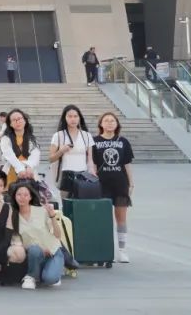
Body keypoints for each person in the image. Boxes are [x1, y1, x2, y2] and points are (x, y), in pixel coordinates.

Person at [93, 112, 134, 262]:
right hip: (101, 184)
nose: (109, 123)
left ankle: (122, 250)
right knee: (103, 219)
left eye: (112, 121)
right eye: (106, 120)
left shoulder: (123, 141)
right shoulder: (94, 141)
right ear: (101, 124)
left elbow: (127, 164)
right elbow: (93, 164)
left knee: (121, 218)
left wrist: (131, 182)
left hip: (120, 183)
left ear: (117, 124)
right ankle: (104, 250)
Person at [9, 180, 64, 289]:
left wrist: (52, 216)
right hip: (34, 253)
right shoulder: (12, 216)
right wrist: (40, 249)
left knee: (50, 279)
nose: (22, 197)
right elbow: (16, 242)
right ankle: (31, 276)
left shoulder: (41, 211)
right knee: (34, 249)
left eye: (26, 195)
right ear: (14, 197)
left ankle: (51, 271)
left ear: (30, 197)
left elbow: (58, 235)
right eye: (19, 194)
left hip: (53, 252)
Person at [48, 104, 95, 198]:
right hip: (66, 174)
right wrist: (61, 151)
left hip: (83, 174)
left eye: (75, 116)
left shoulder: (86, 136)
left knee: (81, 204)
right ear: (65, 118)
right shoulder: (58, 135)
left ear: (79, 118)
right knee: (66, 204)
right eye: (69, 116)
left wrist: (92, 171)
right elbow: (51, 159)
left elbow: (90, 159)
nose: (73, 119)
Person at [0, 109, 40, 187]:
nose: (17, 122)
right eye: (14, 120)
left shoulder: (32, 138)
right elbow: (9, 156)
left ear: (25, 120)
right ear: (10, 124)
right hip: (12, 172)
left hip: (29, 173)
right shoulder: (6, 139)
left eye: (19, 118)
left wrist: (29, 166)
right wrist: (20, 169)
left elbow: (35, 155)